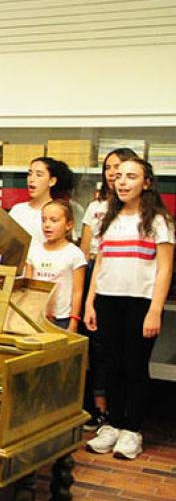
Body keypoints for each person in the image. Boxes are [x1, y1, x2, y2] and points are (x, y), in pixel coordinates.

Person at [84, 156, 173, 460]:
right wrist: (90, 303)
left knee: (135, 367)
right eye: (119, 176)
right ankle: (112, 425)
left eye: (131, 176)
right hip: (107, 299)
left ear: (146, 183)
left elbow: (164, 269)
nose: (122, 181)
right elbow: (99, 265)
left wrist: (155, 310)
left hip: (140, 302)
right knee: (111, 366)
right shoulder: (106, 219)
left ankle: (132, 430)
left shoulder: (159, 221)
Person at [78, 147, 137, 428]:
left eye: (120, 167)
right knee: (96, 346)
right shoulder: (96, 207)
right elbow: (86, 249)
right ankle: (96, 407)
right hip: (94, 272)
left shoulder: (142, 213)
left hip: (126, 280)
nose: (113, 173)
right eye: (109, 167)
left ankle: (121, 414)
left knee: (122, 352)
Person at [23, 200, 87, 330]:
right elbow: (28, 287)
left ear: (68, 225)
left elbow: (77, 292)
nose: (47, 225)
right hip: (37, 316)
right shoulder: (34, 251)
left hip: (62, 318)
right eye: (44, 220)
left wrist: (74, 322)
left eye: (54, 220)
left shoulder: (74, 254)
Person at [8, 156, 75, 241]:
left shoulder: (60, 211)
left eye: (39, 175)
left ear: (52, 181)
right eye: (30, 174)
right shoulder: (17, 210)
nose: (31, 179)